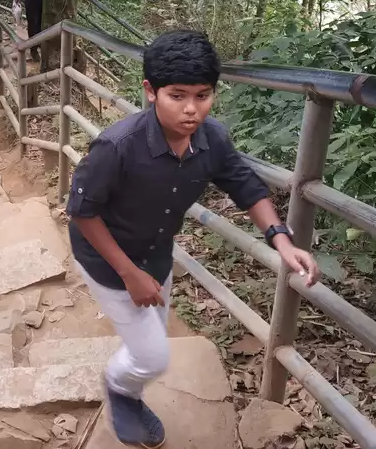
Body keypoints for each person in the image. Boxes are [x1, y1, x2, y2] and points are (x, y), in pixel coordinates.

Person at [66, 30, 319, 448]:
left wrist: (282, 240)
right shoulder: (117, 146)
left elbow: (244, 185)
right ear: (151, 91)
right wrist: (129, 274)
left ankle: (131, 381)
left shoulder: (211, 139)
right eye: (177, 96)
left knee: (153, 336)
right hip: (106, 261)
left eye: (202, 96)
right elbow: (81, 211)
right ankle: (120, 389)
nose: (191, 109)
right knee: (151, 357)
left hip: (157, 254)